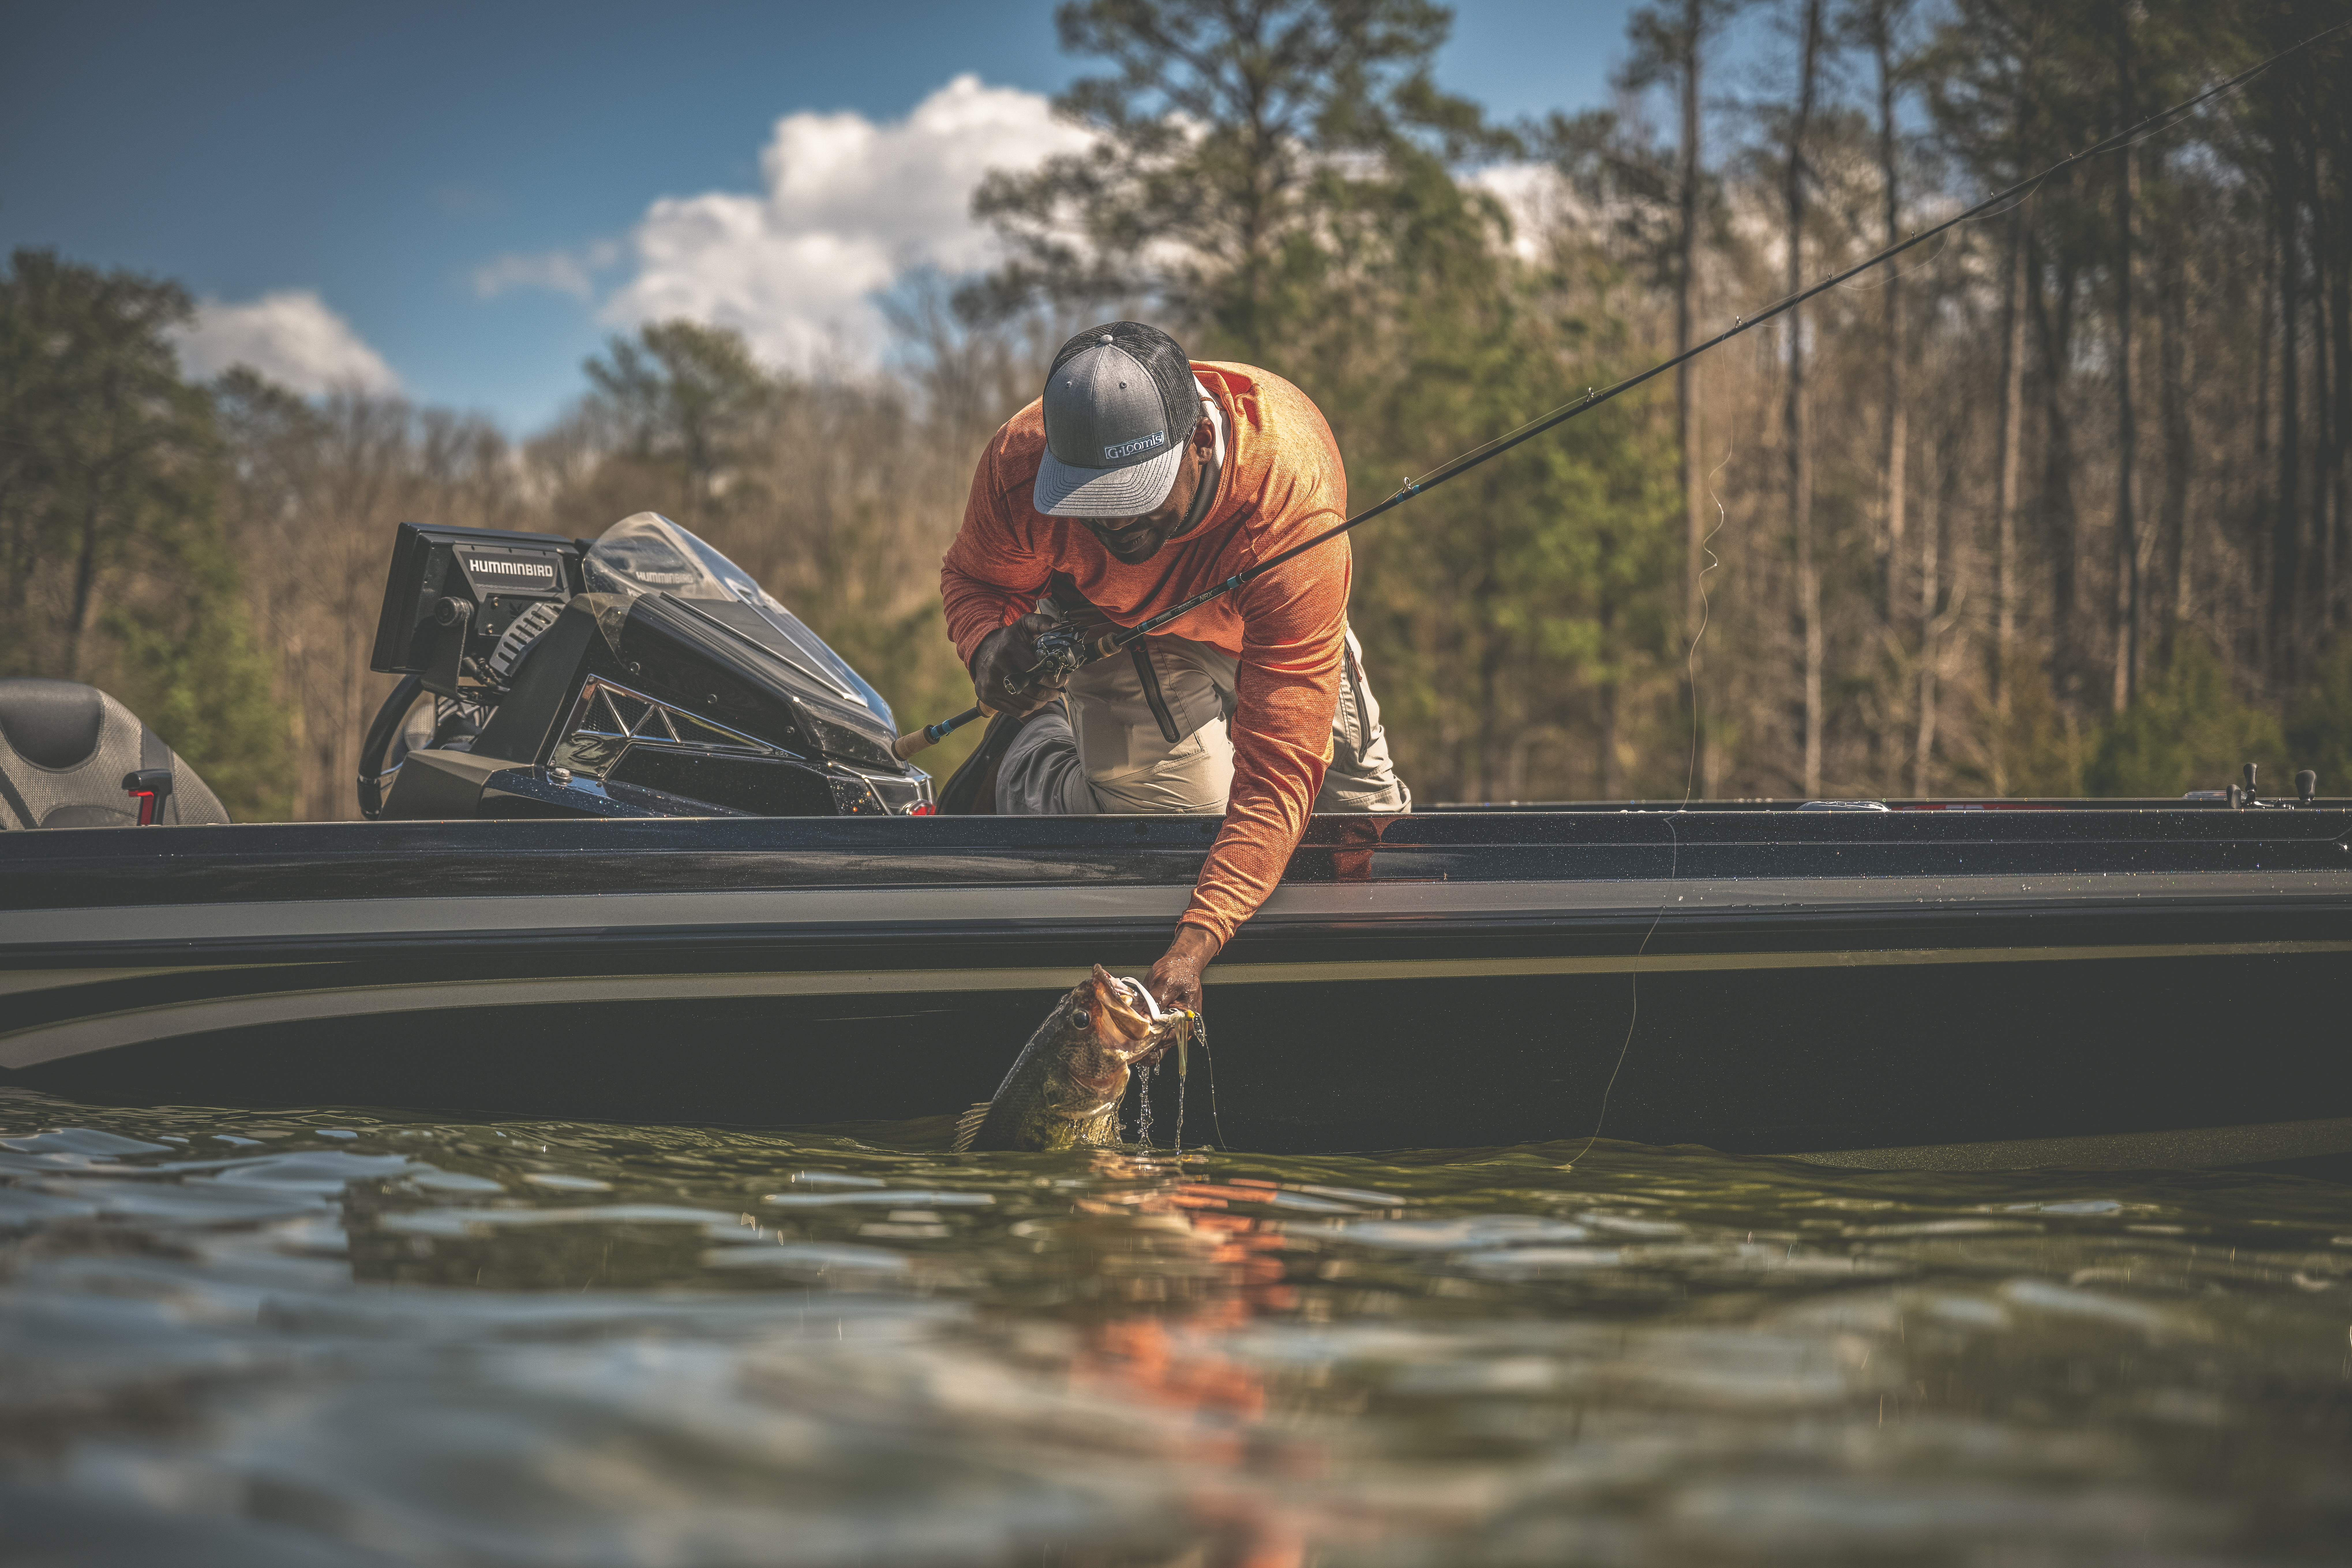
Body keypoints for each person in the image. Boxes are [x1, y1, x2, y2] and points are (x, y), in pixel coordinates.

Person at [940, 321, 1409, 1014]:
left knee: (1361, 831)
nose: (1112, 523)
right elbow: (975, 582)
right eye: (1088, 499)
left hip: (1270, 624)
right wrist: (988, 645)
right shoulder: (1021, 464)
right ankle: (1029, 753)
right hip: (1112, 625)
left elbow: (1279, 768)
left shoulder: (1289, 500)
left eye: (1134, 493)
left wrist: (1199, 941)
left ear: (1200, 440)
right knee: (1186, 833)